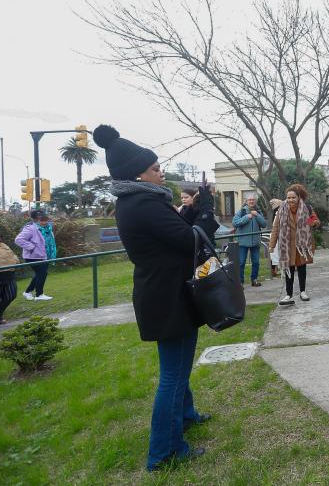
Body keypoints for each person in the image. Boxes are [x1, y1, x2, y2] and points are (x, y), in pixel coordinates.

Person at [93, 124, 218, 472]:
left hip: (162, 292)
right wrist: (207, 212)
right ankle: (164, 452)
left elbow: (172, 232)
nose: (160, 171)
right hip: (168, 298)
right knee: (173, 376)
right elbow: (189, 241)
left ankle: (186, 416)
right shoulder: (144, 204)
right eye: (155, 168)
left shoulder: (138, 202)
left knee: (177, 368)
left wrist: (193, 211)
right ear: (138, 174)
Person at [269, 183, 320, 305]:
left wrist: (313, 222)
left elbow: (315, 221)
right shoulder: (281, 210)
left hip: (302, 245)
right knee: (289, 269)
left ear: (298, 197)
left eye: (293, 197)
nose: (291, 200)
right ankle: (288, 295)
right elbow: (276, 227)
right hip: (287, 246)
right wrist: (271, 245)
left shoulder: (306, 208)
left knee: (302, 268)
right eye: (289, 197)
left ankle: (303, 291)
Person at [15, 210, 53, 301]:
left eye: (46, 219)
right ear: (36, 219)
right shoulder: (30, 228)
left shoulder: (47, 228)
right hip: (33, 256)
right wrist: (32, 247)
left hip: (45, 254)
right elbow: (18, 240)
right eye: (42, 219)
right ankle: (39, 294)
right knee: (42, 273)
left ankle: (27, 292)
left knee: (39, 274)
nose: (45, 221)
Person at [232, 194, 268, 287]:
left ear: (255, 201)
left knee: (256, 262)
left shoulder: (258, 212)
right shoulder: (241, 211)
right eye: (250, 200)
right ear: (246, 201)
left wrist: (257, 215)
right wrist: (246, 217)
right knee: (241, 263)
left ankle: (254, 280)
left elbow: (264, 224)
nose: (251, 201)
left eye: (253, 200)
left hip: (255, 242)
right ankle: (240, 282)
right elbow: (235, 223)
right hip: (243, 242)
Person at [0, 229, 19, 325]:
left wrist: (15, 260)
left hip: (9, 275)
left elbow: (12, 254)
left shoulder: (3, 245)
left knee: (11, 295)